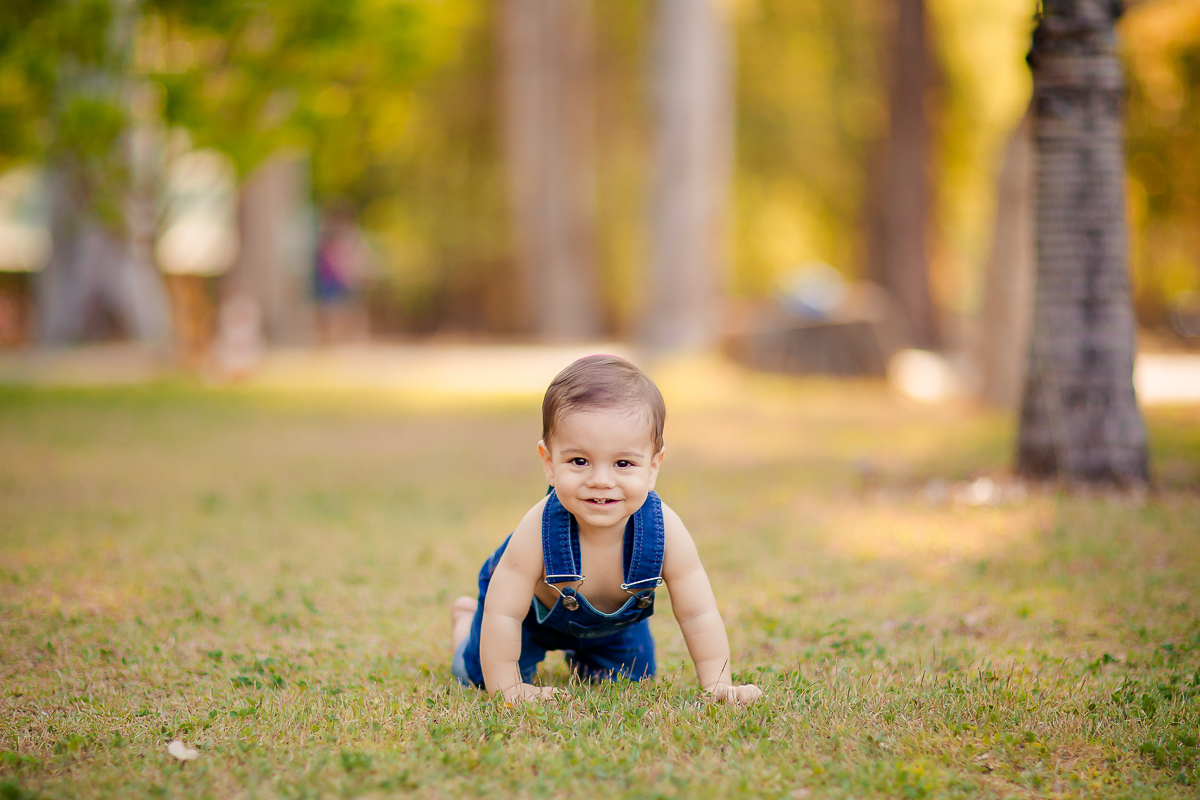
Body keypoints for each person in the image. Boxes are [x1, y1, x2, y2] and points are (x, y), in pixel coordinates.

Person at [450, 355, 762, 705]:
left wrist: (717, 683)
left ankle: (587, 656)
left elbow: (697, 612)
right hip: (529, 619)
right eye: (579, 461)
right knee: (477, 674)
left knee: (630, 679)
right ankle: (465, 622)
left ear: (653, 467)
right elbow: (504, 613)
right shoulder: (537, 527)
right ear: (549, 463)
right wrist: (509, 688)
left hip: (613, 630)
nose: (600, 480)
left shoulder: (665, 531)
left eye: (623, 463)